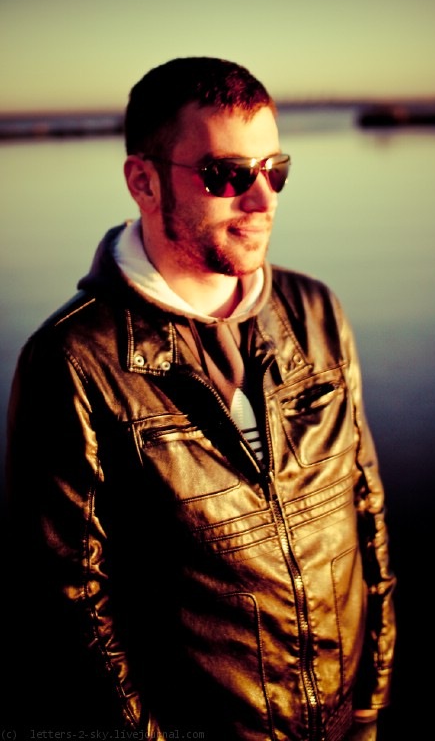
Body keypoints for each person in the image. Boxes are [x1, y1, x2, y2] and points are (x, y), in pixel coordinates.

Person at [5, 57, 396, 741]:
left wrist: (370, 705)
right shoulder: (74, 361)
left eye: (274, 170)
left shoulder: (315, 311)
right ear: (144, 182)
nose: (263, 200)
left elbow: (367, 513)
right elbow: (70, 606)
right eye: (226, 175)